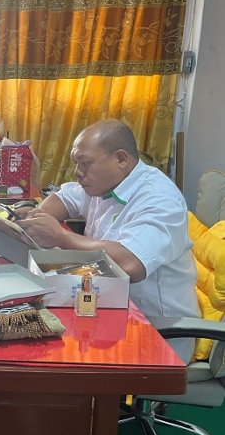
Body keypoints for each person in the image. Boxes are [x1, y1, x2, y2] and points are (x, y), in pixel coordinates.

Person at [17, 119, 200, 363]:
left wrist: (60, 236)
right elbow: (66, 197)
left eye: (85, 163)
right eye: (76, 163)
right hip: (107, 307)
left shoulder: (159, 198)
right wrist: (38, 217)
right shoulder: (104, 184)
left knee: (47, 357)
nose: (77, 172)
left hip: (155, 330)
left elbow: (132, 264)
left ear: (121, 159)